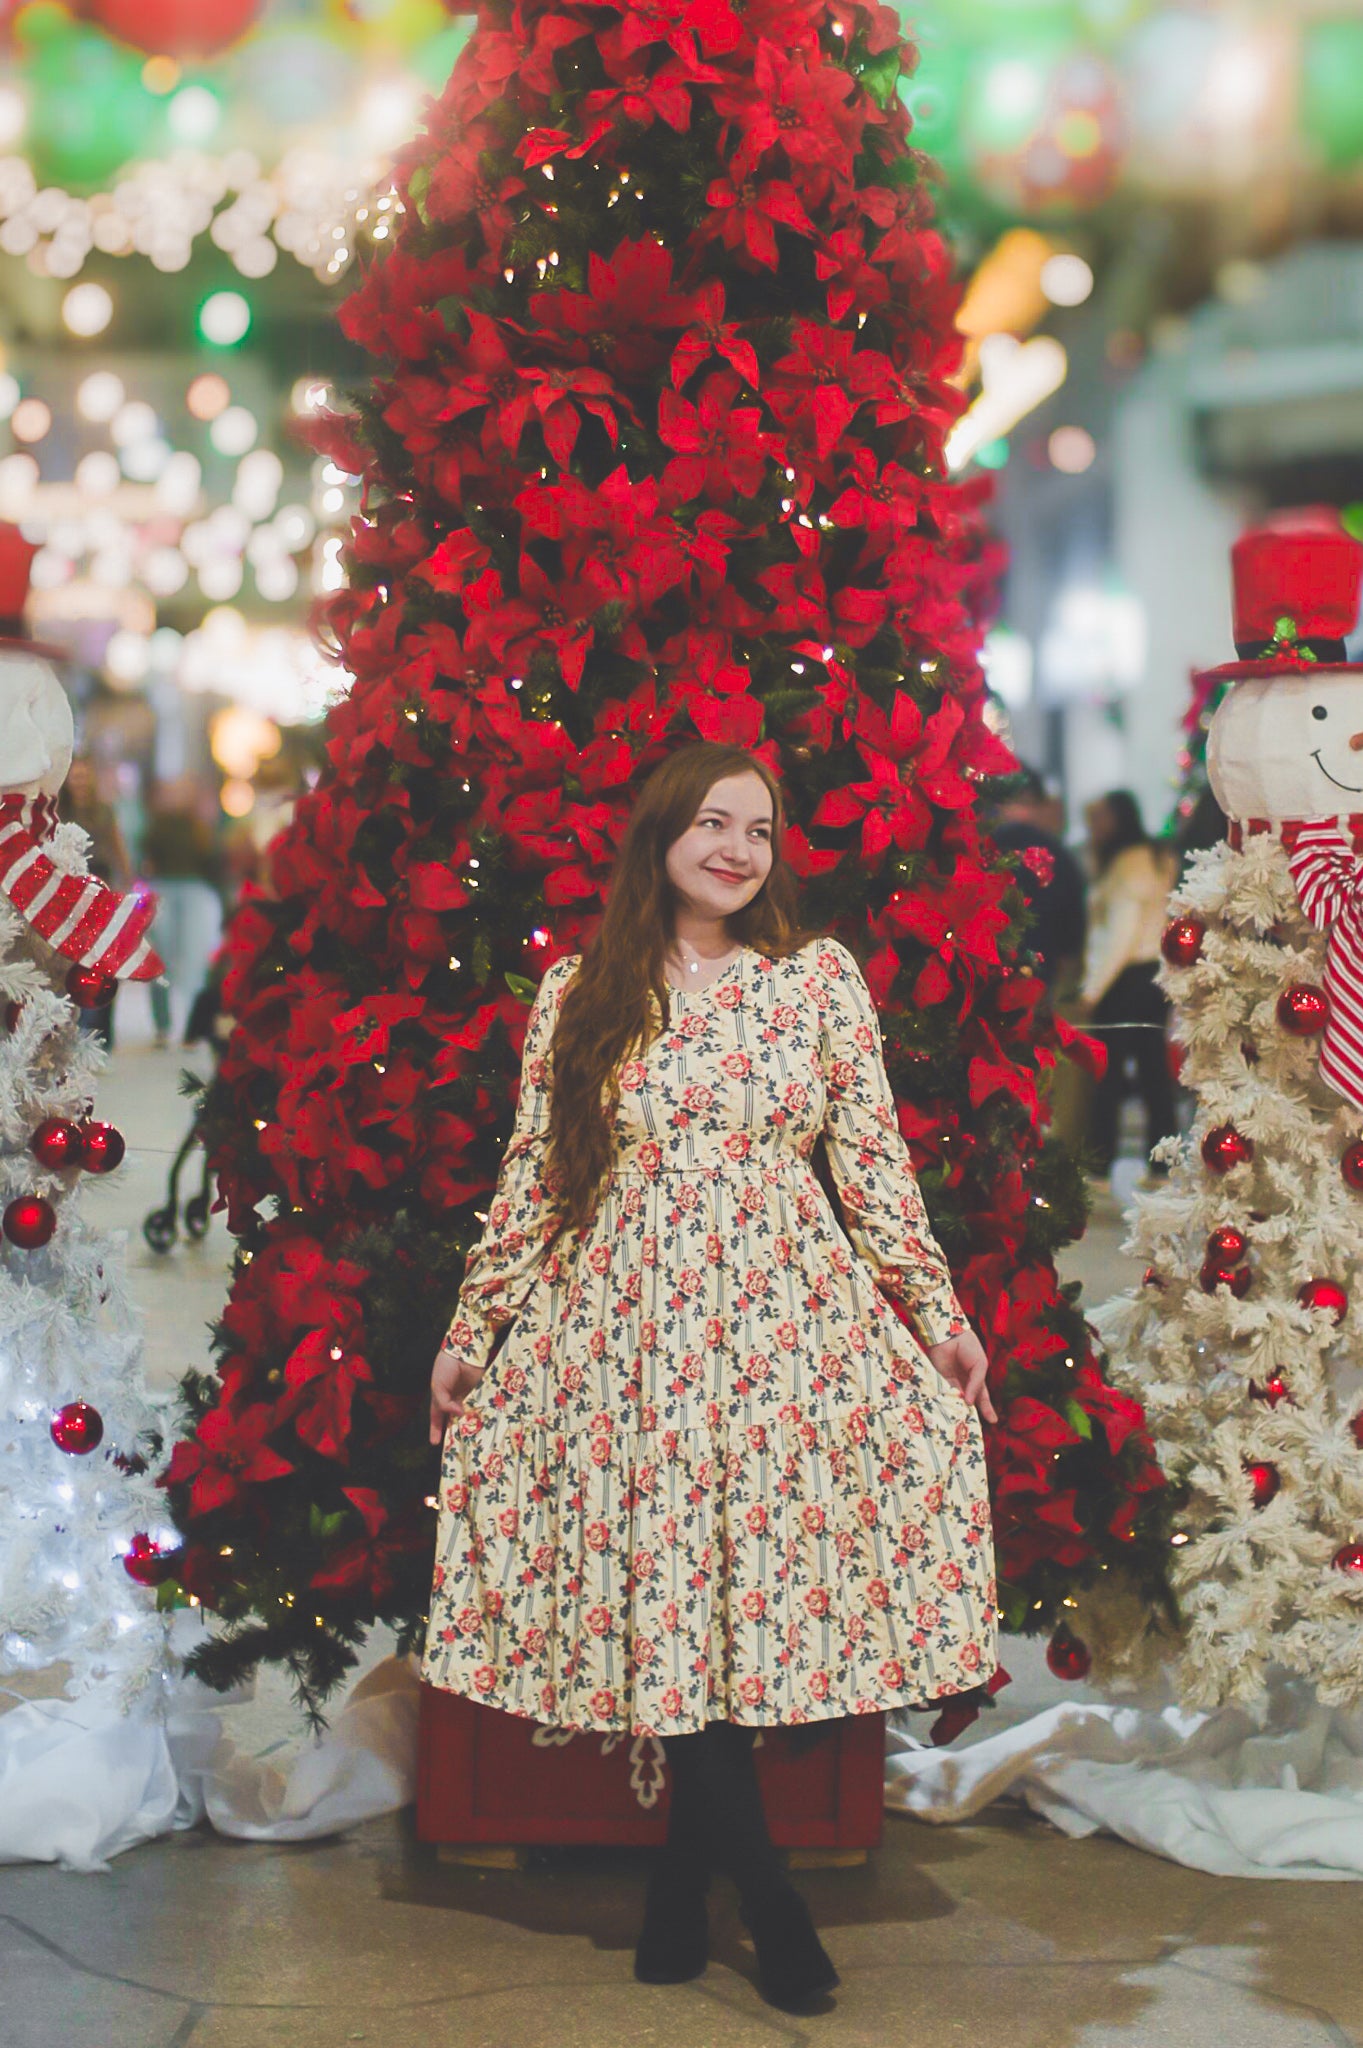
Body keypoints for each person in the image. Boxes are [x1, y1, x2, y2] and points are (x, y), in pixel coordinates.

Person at [424, 742, 998, 2013]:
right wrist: (473, 1332)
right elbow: (539, 1172)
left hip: (782, 1332)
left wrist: (935, 1313)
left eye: (760, 827)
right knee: (672, 1587)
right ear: (661, 836)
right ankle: (770, 1903)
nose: (738, 848)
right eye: (712, 823)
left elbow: (874, 1166)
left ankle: (687, 1887)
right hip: (626, 1335)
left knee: (736, 1596)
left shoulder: (814, 986)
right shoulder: (583, 990)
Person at [1079, 789, 1179, 1187]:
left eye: (1100, 818)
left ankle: (1100, 1160)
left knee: (1109, 1073)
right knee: (1154, 1071)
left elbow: (1120, 935)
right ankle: (1162, 1161)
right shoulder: (1154, 858)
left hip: (1127, 978)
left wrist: (1092, 990)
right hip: (1153, 976)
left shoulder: (1128, 865)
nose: (1093, 828)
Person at [140, 785, 224, 1048]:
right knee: (170, 960)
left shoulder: (196, 826)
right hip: (175, 889)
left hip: (184, 890)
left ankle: (183, 1027)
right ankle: (170, 1027)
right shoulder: (170, 825)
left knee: (182, 960)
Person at [990, 766, 1087, 991]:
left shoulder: (986, 848)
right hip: (1041, 973)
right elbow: (1073, 924)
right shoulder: (1058, 854)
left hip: (988, 971)